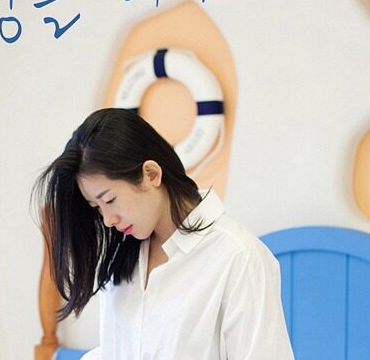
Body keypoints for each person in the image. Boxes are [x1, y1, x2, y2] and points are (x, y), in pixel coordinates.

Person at [32, 108, 294, 360]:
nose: (108, 220)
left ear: (151, 174)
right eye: (97, 207)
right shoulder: (122, 257)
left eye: (110, 200)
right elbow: (120, 349)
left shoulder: (238, 258)